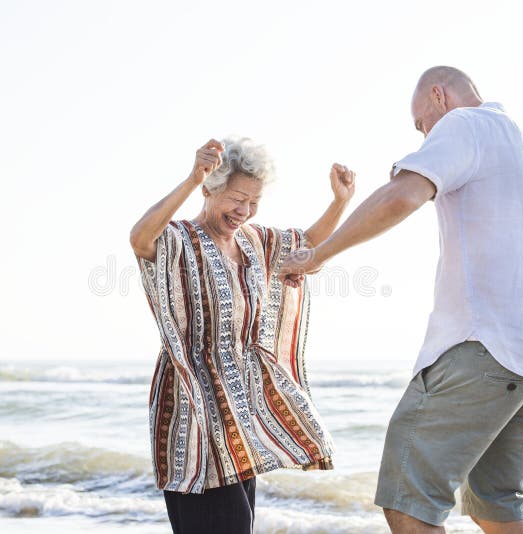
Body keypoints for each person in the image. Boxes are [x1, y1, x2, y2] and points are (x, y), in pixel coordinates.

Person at [279, 66, 523, 533]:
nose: (424, 136)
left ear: (438, 96)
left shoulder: (465, 124)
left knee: (408, 500)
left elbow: (402, 196)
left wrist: (317, 255)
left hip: (486, 346)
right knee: (495, 506)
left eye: (422, 124)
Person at [130, 137, 355, 534]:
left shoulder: (254, 243)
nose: (244, 211)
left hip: (239, 409)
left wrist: (339, 202)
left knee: (239, 522)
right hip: (192, 405)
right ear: (209, 189)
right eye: (236, 199)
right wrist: (189, 178)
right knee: (223, 523)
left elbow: (307, 243)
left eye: (253, 202)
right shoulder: (178, 239)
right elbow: (140, 238)